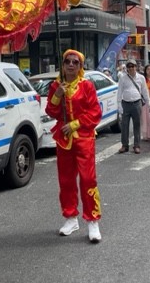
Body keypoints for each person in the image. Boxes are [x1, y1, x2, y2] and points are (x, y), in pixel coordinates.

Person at [45, 49, 103, 243]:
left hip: (84, 138)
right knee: (66, 180)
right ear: (62, 65)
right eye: (67, 62)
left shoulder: (87, 86)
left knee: (88, 179)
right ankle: (70, 217)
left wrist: (75, 124)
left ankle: (92, 220)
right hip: (64, 140)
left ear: (80, 67)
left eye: (75, 62)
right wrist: (57, 95)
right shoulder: (56, 86)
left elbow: (95, 112)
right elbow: (51, 112)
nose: (71, 65)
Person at [117, 58, 150, 153]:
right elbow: (119, 91)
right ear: (127, 68)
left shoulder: (141, 78)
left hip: (137, 103)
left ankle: (137, 145)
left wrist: (149, 103)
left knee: (137, 125)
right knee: (124, 125)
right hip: (126, 104)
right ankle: (124, 145)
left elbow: (145, 91)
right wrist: (119, 105)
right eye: (129, 66)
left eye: (133, 66)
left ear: (136, 67)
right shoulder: (123, 78)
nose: (131, 68)